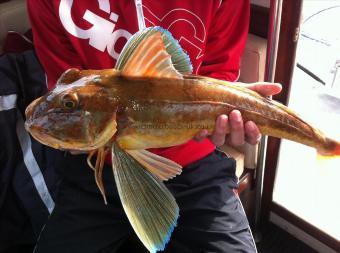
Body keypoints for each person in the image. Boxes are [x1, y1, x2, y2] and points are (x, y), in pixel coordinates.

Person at [27, 1, 281, 252]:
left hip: (194, 162)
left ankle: (323, 146)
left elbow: (218, 72)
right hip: (99, 166)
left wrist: (224, 102)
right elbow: (66, 93)